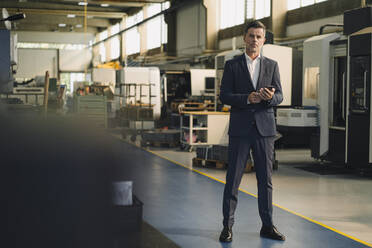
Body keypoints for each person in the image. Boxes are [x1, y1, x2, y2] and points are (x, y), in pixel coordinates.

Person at [218, 20, 285, 242]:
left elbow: (280, 96)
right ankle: (227, 227)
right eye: (251, 36)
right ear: (244, 38)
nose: (254, 40)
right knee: (233, 179)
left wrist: (269, 98)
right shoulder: (232, 65)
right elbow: (224, 96)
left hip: (264, 130)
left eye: (259, 36)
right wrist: (246, 98)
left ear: (264, 40)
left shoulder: (272, 65)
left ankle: (267, 225)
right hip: (240, 129)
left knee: (265, 180)